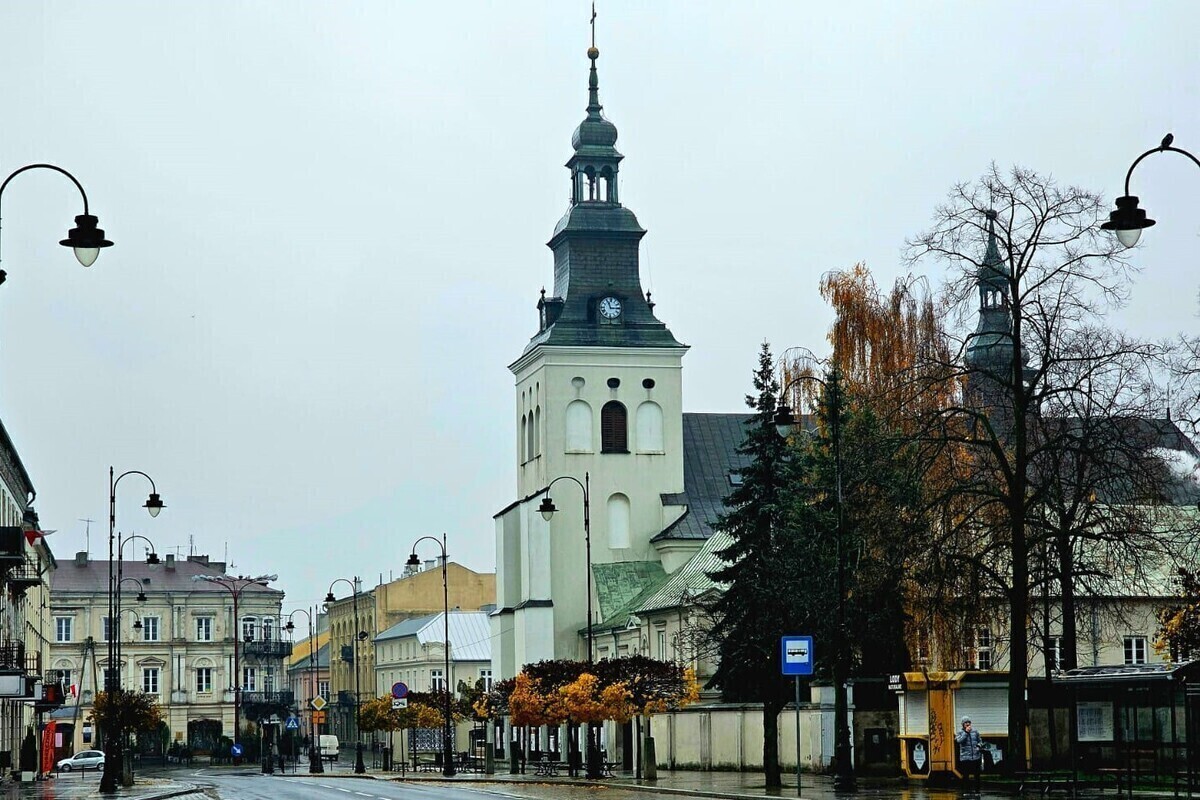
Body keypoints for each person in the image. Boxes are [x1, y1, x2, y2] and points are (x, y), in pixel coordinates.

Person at [955, 716, 983, 793]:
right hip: (965, 758)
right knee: (966, 776)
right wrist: (966, 733)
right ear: (963, 724)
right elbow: (959, 741)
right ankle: (966, 791)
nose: (967, 724)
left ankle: (977, 791)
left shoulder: (975, 731)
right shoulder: (960, 732)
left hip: (975, 757)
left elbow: (980, 741)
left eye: (969, 722)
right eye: (965, 723)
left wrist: (979, 746)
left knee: (977, 775)